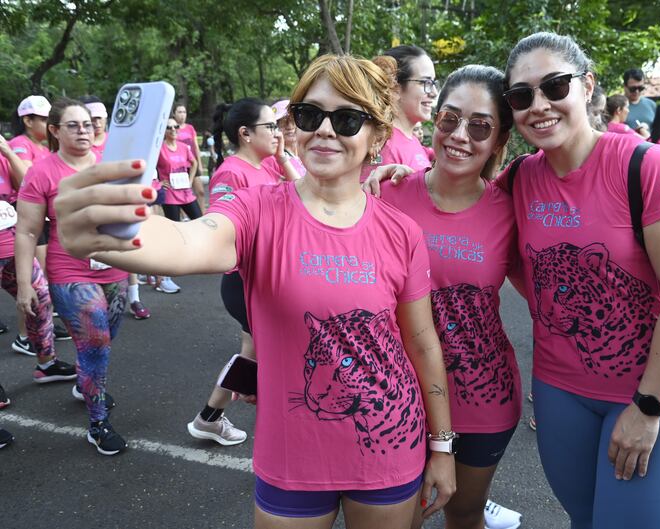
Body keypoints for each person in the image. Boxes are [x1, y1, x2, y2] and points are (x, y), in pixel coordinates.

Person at [54, 54, 456, 528]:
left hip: (388, 443)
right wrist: (114, 234)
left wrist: (443, 445)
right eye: (309, 115)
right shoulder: (257, 208)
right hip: (293, 454)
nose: (325, 130)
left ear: (377, 136)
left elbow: (423, 343)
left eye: (347, 119)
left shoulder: (401, 231)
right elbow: (189, 240)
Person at [501, 32, 660, 529]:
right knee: (585, 520)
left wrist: (648, 406)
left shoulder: (647, 166)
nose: (539, 105)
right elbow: (491, 244)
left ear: (587, 85)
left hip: (646, 394)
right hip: (559, 393)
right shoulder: (518, 179)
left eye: (554, 86)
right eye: (521, 95)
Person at [366, 64, 524, 529]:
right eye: (449, 119)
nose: (459, 135)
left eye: (479, 126)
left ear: (499, 142)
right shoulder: (385, 195)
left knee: (464, 514)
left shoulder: (512, 209)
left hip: (483, 399)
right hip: (398, 396)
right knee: (403, 519)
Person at [15, 97, 129, 456]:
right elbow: (28, 232)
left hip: (115, 269)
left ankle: (85, 383)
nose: (84, 130)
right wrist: (24, 283)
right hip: (70, 272)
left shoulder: (110, 163)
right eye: (73, 125)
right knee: (95, 343)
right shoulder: (43, 172)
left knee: (103, 340)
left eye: (88, 124)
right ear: (54, 130)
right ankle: (97, 423)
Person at [187, 97, 285, 446]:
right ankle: (277, 429)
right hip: (246, 281)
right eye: (270, 126)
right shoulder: (232, 171)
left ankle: (210, 417)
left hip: (269, 277)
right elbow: (223, 232)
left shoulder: (270, 165)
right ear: (245, 133)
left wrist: (284, 157)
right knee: (269, 352)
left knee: (252, 353)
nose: (278, 133)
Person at [0, 133, 77, 383]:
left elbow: (25, 183)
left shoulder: (4, 156)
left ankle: (46, 363)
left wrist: (8, 152)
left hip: (9, 243)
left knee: (38, 297)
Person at [80, 94, 149, 319]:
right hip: (91, 207)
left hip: (119, 204)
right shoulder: (81, 145)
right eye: (92, 118)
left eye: (100, 118)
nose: (97, 122)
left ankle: (135, 298)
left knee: (126, 250)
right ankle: (91, 297)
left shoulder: (116, 141)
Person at [360, 46, 438, 181]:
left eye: (433, 83)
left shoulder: (412, 139)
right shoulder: (383, 144)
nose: (434, 93)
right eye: (425, 82)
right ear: (395, 87)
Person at [154, 116, 200, 294]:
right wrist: (159, 182)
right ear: (164, 131)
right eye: (169, 127)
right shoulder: (160, 149)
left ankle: (194, 257)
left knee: (199, 221)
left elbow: (194, 162)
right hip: (171, 195)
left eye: (175, 127)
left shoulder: (184, 147)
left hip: (186, 192)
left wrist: (189, 179)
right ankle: (165, 276)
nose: (173, 130)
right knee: (171, 231)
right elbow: (151, 167)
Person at [173, 104, 206, 212]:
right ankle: (184, 217)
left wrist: (200, 164)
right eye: (179, 112)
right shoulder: (172, 129)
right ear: (174, 114)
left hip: (192, 164)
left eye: (184, 112)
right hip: (179, 166)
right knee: (181, 193)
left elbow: (196, 147)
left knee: (200, 191)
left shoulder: (190, 128)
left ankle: (203, 214)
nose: (182, 115)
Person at [272, 99, 307, 178]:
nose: (290, 126)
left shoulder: (307, 151)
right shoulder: (273, 159)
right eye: (283, 122)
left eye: (293, 120)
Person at [622, 68, 655, 136]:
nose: (637, 91)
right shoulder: (616, 106)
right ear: (625, 86)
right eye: (633, 89)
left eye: (640, 88)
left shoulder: (652, 105)